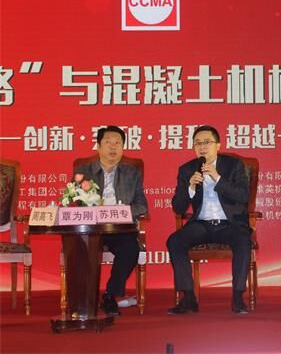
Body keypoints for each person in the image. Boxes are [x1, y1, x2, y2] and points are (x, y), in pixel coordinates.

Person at [167, 125, 252, 315]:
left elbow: (243, 196)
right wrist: (190, 188)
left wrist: (218, 178)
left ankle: (238, 297)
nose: (202, 147)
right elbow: (178, 207)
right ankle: (188, 298)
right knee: (175, 241)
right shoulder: (187, 169)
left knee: (243, 240)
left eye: (207, 142)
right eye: (197, 143)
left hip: (230, 224)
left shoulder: (233, 165)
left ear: (218, 145)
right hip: (201, 224)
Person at [74, 125, 148, 316]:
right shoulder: (84, 171)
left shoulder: (132, 173)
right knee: (80, 248)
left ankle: (109, 295)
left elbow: (142, 205)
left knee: (130, 249)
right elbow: (78, 202)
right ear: (98, 146)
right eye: (108, 142)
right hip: (93, 229)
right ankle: (83, 298)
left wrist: (123, 212)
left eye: (118, 143)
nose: (113, 147)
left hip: (120, 229)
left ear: (123, 148)